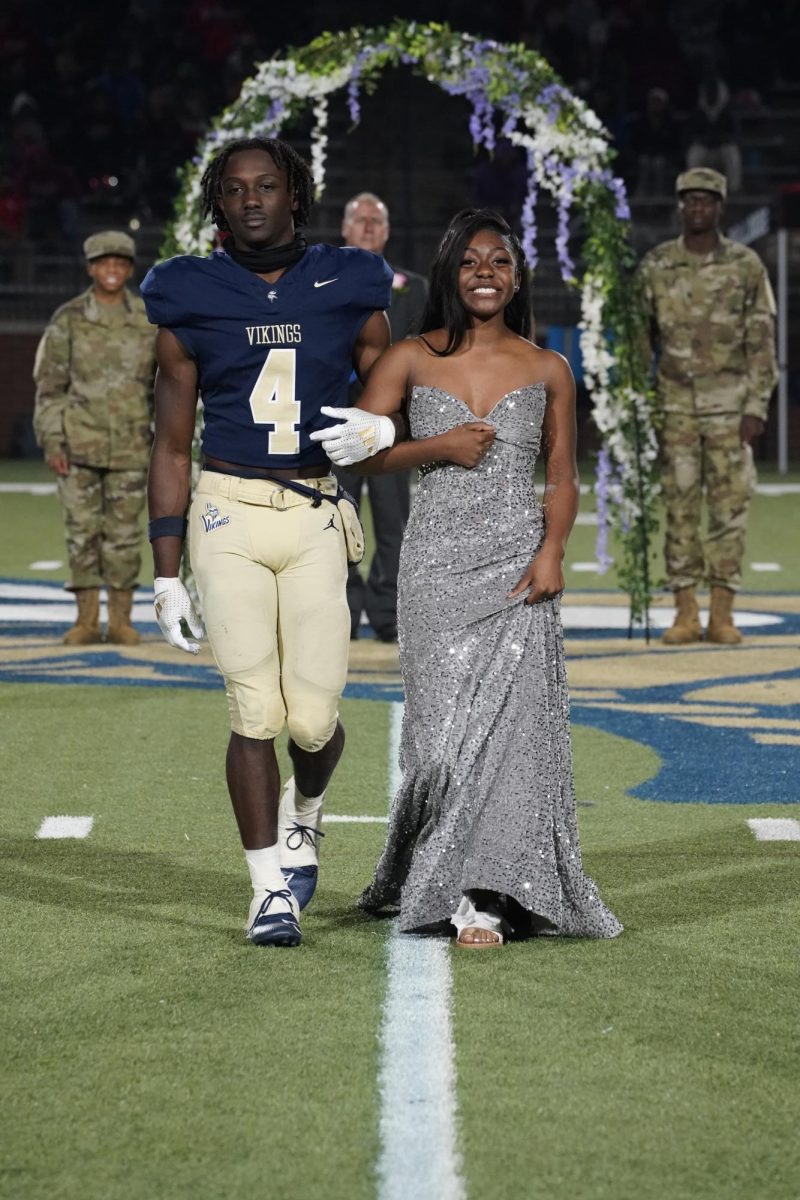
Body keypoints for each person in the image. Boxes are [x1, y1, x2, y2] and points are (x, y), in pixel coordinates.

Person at [312, 209, 622, 947]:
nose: (486, 272)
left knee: (516, 738)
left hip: (519, 567)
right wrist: (436, 445)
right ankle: (432, 870)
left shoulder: (549, 367)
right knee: (444, 738)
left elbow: (563, 476)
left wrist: (552, 551)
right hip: (437, 568)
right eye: (471, 262)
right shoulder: (411, 357)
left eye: (500, 262)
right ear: (451, 273)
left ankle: (488, 893)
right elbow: (350, 452)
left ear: (517, 277)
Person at [140, 138, 393, 948]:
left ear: (296, 195)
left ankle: (307, 816)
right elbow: (172, 444)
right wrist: (167, 572)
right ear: (218, 202)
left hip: (317, 508)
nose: (252, 200)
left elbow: (389, 377)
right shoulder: (185, 292)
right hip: (228, 509)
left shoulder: (350, 279)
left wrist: (385, 420)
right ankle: (266, 891)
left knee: (314, 721)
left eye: (268, 186)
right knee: (255, 707)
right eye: (236, 189)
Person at [638, 168, 778, 645]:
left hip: (730, 408)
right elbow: (640, 342)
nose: (697, 208)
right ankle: (685, 612)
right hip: (674, 407)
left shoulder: (746, 266)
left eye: (706, 201)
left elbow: (762, 339)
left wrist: (757, 404)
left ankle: (722, 612)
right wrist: (637, 405)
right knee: (679, 507)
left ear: (720, 207)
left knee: (728, 508)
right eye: (689, 201)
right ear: (680, 207)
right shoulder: (656, 265)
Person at [33, 230, 156, 645]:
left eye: (120, 263)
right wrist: (54, 442)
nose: (112, 270)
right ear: (90, 268)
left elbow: (163, 388)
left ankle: (120, 620)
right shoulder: (67, 319)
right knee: (82, 534)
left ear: (129, 269)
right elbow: (49, 389)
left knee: (124, 536)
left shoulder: (146, 319)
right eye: (104, 263)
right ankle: (86, 621)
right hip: (78, 446)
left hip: (132, 447)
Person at [338, 191, 428, 641]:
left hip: (393, 425)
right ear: (345, 229)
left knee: (395, 522)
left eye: (377, 219)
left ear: (388, 231)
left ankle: (387, 613)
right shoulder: (321, 281)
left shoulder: (415, 286)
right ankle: (346, 612)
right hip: (336, 422)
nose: (369, 225)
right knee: (338, 518)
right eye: (360, 219)